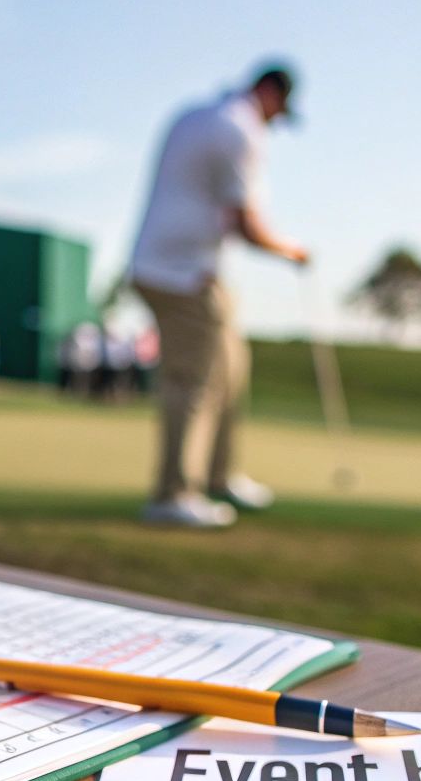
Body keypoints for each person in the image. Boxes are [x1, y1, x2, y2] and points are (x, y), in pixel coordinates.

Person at [129, 63, 310, 528]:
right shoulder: (237, 128)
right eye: (279, 111)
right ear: (269, 92)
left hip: (183, 267)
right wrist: (292, 251)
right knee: (192, 382)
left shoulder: (199, 115)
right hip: (180, 274)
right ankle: (172, 494)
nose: (275, 123)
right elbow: (245, 225)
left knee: (230, 368)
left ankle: (220, 476)